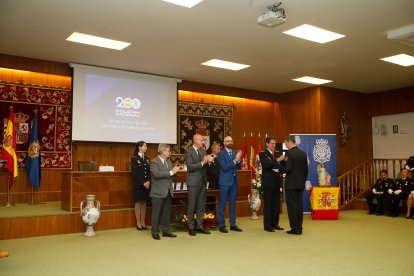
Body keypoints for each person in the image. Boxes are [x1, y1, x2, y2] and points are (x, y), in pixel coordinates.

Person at [185, 134, 214, 236]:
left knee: (201, 205)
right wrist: (203, 162)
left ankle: (200, 226)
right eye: (202, 140)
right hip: (193, 182)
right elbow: (190, 167)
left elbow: (205, 165)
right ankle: (191, 227)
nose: (203, 142)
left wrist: (209, 162)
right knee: (192, 205)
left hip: (202, 181)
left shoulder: (203, 151)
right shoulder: (188, 151)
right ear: (196, 140)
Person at [149, 144, 180, 240]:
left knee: (167, 213)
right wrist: (171, 172)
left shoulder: (169, 162)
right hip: (157, 192)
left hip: (168, 191)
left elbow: (170, 176)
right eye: (168, 150)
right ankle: (155, 232)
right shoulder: (154, 162)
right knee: (156, 213)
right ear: (162, 151)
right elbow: (157, 174)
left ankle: (166, 231)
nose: (169, 152)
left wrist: (176, 172)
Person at [280, 135, 308, 235]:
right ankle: (299, 227)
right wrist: (302, 181)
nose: (286, 146)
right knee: (299, 207)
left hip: (291, 185)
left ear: (289, 142)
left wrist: (279, 169)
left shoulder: (289, 153)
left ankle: (294, 228)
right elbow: (306, 170)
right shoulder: (303, 153)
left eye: (286, 143)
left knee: (292, 207)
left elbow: (287, 168)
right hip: (300, 184)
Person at [217, 136, 243, 233]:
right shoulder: (221, 154)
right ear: (224, 143)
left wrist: (239, 160)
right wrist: (235, 160)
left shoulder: (235, 152)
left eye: (231, 140)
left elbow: (238, 167)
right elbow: (224, 167)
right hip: (224, 182)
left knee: (233, 204)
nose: (230, 142)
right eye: (228, 141)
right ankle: (221, 225)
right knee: (222, 204)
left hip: (234, 181)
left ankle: (233, 224)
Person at [259, 136, 284, 232]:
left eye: (275, 143)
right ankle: (267, 225)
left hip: (277, 182)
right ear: (267, 144)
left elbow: (280, 166)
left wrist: (276, 163)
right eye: (272, 143)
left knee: (276, 205)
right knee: (268, 205)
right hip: (268, 183)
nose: (274, 145)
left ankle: (275, 223)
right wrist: (277, 161)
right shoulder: (262, 154)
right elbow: (266, 165)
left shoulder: (277, 153)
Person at [131, 141, 151, 230]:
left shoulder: (147, 158)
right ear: (139, 147)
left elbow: (149, 171)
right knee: (138, 203)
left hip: (146, 185)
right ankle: (138, 222)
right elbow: (135, 173)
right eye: (145, 146)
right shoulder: (134, 158)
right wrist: (143, 183)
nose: (146, 148)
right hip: (139, 184)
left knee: (144, 203)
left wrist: (149, 181)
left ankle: (143, 222)